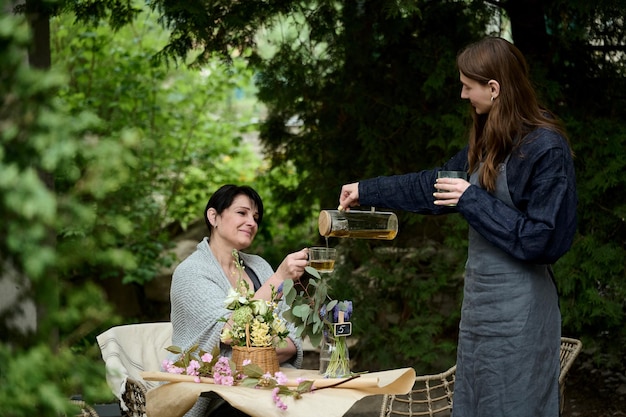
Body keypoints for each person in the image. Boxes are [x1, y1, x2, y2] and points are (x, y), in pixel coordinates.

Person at [338, 37, 577, 417]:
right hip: (480, 310)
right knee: (474, 403)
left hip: (522, 313)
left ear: (494, 88)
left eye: (468, 86)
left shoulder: (546, 149)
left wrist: (472, 199)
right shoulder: (489, 143)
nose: (463, 94)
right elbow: (432, 186)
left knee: (516, 405)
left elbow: (543, 240)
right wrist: (366, 190)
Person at [170, 184, 309, 417]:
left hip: (266, 390)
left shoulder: (259, 267)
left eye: (255, 217)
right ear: (213, 216)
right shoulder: (191, 273)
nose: (252, 222)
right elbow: (227, 333)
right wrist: (279, 278)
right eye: (242, 213)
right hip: (212, 399)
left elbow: (292, 339)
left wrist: (245, 355)